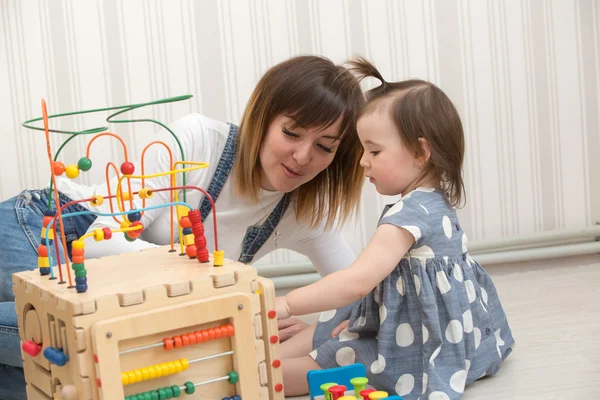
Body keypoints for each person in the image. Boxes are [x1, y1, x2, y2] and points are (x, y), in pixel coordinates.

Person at [0, 55, 365, 400]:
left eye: (324, 147)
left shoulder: (306, 212)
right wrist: (220, 286)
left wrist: (314, 333)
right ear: (263, 117)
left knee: (61, 381)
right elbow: (101, 241)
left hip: (113, 303)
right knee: (73, 343)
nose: (303, 157)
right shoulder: (198, 140)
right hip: (49, 225)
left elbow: (361, 294)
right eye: (291, 133)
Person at [275, 57, 515, 399]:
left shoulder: (410, 214)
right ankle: (280, 353)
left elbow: (357, 282)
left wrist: (288, 303)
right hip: (434, 328)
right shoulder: (435, 202)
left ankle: (248, 373)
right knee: (328, 329)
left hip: (412, 346)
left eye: (374, 151)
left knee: (297, 370)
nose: (362, 162)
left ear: (420, 152)